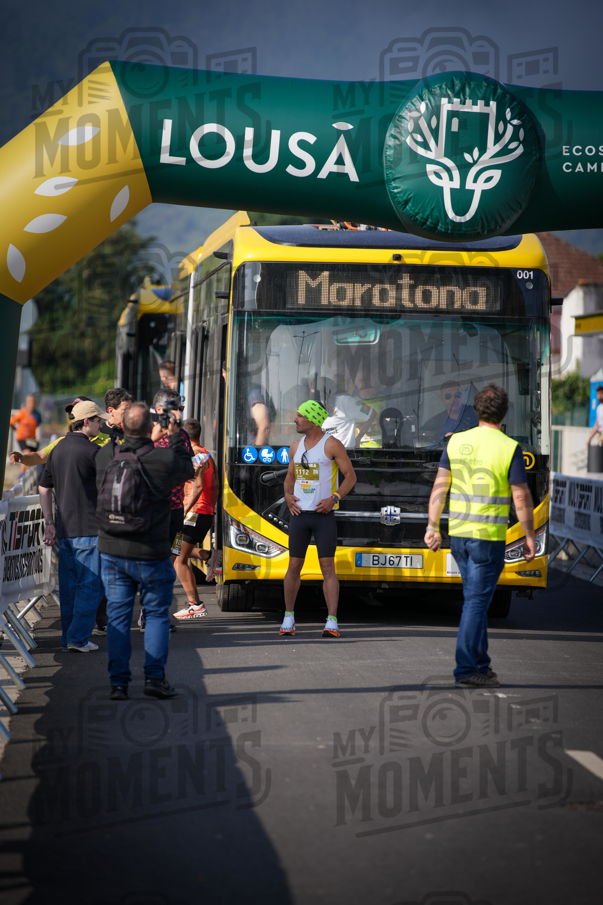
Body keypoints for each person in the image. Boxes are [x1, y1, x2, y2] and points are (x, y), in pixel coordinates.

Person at [424, 384, 536, 688]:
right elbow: (521, 497)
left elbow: (439, 487)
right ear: (504, 412)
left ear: (476, 410)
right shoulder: (509, 447)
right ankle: (465, 669)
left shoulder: (456, 442)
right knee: (476, 602)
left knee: (476, 599)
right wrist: (529, 536)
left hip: (459, 536)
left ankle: (482, 664)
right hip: (488, 537)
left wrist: (432, 527)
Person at [95, 402, 194, 700]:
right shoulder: (163, 458)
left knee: (117, 617)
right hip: (152, 551)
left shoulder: (104, 455)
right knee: (155, 616)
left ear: (122, 426)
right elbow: (187, 469)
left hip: (112, 549)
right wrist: (175, 434)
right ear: (152, 427)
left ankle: (118, 683)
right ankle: (154, 679)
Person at [281, 400, 356, 638]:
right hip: (300, 516)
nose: (295, 420)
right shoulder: (295, 446)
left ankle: (332, 620)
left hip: (323, 516)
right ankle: (289, 616)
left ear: (312, 420)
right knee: (293, 566)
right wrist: (287, 496)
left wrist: (334, 498)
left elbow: (350, 477)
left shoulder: (332, 444)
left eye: (300, 416)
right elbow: (290, 476)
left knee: (327, 568)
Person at [39, 401, 109, 653]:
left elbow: (44, 488)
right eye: (98, 421)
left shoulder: (57, 449)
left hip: (64, 529)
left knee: (69, 587)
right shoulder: (93, 451)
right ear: (86, 422)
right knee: (92, 585)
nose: (101, 425)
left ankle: (70, 637)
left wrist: (49, 522)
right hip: (90, 528)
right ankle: (78, 638)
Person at [149, 388, 194, 628]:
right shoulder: (148, 434)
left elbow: (187, 471)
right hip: (154, 510)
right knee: (153, 562)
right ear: (158, 411)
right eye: (173, 408)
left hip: (177, 510)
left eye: (180, 408)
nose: (178, 412)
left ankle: (162, 612)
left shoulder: (183, 436)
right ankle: (151, 613)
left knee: (172, 560)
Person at [172, 418, 217, 620]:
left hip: (193, 515)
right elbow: (215, 486)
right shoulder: (208, 455)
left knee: (177, 560)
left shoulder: (196, 456)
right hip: (203, 513)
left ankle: (195, 604)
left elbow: (198, 487)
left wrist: (184, 510)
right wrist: (212, 511)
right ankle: (209, 555)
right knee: (174, 551)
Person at [10, 394, 41, 474]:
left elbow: (37, 425)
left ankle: (25, 475)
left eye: (33, 402)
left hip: (31, 439)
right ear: (26, 402)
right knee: (26, 453)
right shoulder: (22, 412)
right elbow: (11, 421)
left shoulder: (37, 414)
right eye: (30, 401)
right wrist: (15, 429)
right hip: (22, 438)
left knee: (30, 456)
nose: (32, 403)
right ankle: (23, 476)